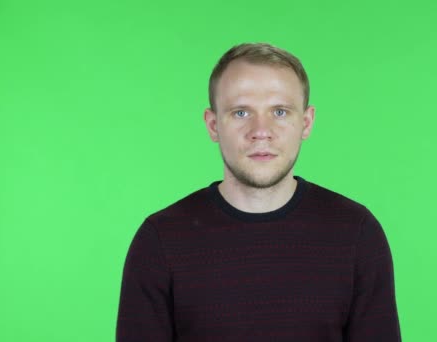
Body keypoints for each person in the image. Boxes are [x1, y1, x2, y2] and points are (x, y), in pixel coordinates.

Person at [116, 42, 402, 341]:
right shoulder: (160, 240)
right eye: (241, 113)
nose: (261, 130)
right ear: (213, 125)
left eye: (279, 111)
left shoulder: (356, 232)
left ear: (306, 122)